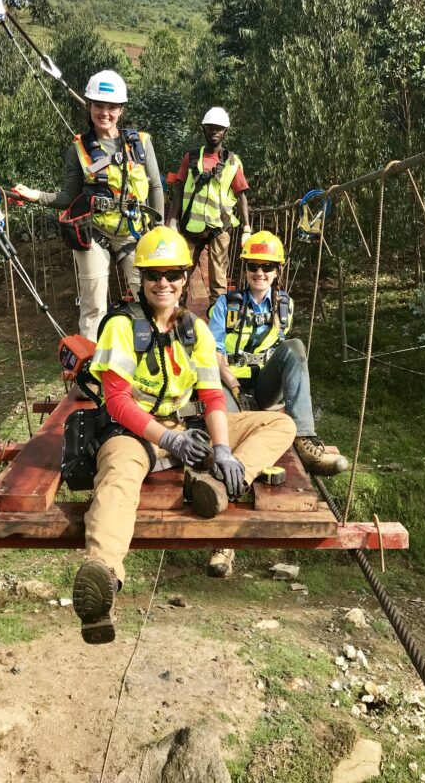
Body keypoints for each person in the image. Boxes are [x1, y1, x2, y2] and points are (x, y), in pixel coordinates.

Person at [71, 226, 296, 643]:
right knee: (118, 478)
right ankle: (103, 578)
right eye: (154, 275)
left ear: (184, 278)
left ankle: (220, 482)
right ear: (140, 278)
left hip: (186, 428)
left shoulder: (196, 329)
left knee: (279, 423)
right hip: (133, 431)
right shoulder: (121, 326)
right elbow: (118, 401)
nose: (164, 284)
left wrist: (226, 450)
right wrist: (168, 440)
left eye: (173, 274)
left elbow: (212, 395)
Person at [205, 230, 349, 578]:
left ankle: (304, 438)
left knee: (296, 348)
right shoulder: (225, 305)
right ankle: (224, 544)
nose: (261, 274)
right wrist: (236, 387)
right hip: (231, 385)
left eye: (268, 267)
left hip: (264, 388)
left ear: (277, 271)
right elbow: (214, 355)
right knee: (230, 445)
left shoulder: (285, 305)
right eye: (255, 266)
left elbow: (282, 354)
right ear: (246, 268)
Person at [13, 70, 164, 340]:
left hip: (136, 232)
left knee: (148, 296)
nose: (104, 112)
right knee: (94, 301)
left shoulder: (141, 143)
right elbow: (68, 198)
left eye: (111, 107)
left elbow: (154, 186)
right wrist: (35, 195)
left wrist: (159, 230)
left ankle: (149, 350)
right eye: (98, 105)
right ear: (89, 107)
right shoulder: (79, 150)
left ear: (120, 109)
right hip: (95, 234)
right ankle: (91, 368)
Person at [167, 107, 250, 305]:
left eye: (219, 129)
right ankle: (174, 319)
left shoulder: (232, 162)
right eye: (211, 128)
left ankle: (217, 323)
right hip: (190, 227)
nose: (215, 132)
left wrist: (246, 228)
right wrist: (171, 221)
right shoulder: (190, 158)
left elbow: (241, 196)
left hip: (219, 227)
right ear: (204, 129)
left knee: (219, 281)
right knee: (179, 274)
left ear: (225, 131)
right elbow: (178, 191)